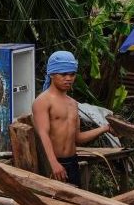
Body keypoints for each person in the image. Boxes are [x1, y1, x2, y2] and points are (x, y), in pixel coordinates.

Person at [32, 51, 111, 186]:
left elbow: (77, 138)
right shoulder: (43, 101)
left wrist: (105, 128)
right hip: (51, 163)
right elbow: (42, 134)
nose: (68, 78)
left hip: (72, 162)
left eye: (72, 74)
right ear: (51, 74)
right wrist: (53, 163)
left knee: (74, 203)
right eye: (63, 74)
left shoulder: (73, 104)